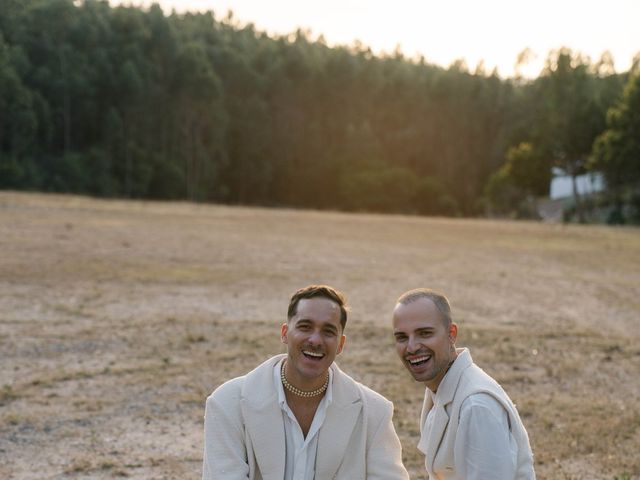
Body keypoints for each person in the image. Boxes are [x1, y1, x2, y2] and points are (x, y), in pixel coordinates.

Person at [203, 284, 409, 480]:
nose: (315, 340)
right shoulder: (226, 404)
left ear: (340, 344)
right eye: (305, 327)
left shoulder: (375, 412)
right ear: (285, 333)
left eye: (328, 331)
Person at [392, 288, 536, 480]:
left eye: (424, 333)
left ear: (452, 334)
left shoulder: (477, 406)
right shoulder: (442, 386)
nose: (411, 347)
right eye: (402, 337)